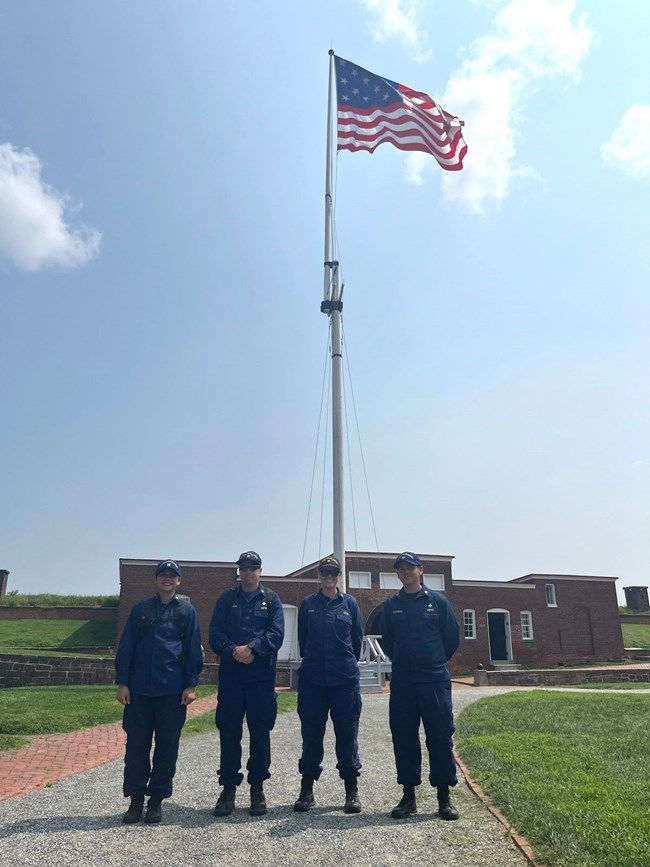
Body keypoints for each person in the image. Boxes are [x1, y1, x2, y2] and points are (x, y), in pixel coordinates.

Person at [114, 559, 203, 825]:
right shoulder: (140, 610)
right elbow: (127, 646)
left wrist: (190, 685)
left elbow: (192, 650)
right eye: (162, 575)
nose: (167, 579)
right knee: (137, 746)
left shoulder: (187, 613)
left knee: (167, 747)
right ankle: (136, 800)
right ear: (155, 580)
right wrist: (123, 682)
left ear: (179, 581)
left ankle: (155, 801)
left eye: (172, 576)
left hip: (172, 692)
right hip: (140, 691)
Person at [380, 552, 460, 821]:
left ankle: (444, 797)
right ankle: (408, 796)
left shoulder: (438, 602)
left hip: (434, 681)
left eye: (410, 568)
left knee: (439, 737)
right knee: (404, 739)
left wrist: (433, 662)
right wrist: (405, 662)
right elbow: (388, 642)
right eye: (401, 570)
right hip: (403, 682)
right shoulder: (391, 606)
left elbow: (451, 639)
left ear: (421, 570)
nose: (406, 573)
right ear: (398, 574)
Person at [209, 551, 284, 817]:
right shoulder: (226, 599)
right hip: (231, 679)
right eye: (244, 568)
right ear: (239, 572)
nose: (248, 572)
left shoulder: (272, 600)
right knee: (229, 733)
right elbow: (215, 633)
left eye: (253, 568)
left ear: (260, 571)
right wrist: (234, 651)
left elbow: (276, 634)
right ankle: (228, 788)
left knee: (260, 733)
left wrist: (252, 648)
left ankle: (257, 787)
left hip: (261, 680)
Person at [293, 555, 364, 814]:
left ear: (339, 576)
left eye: (334, 573)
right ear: (319, 576)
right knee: (311, 736)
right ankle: (307, 790)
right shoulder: (308, 605)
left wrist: (343, 663)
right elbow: (304, 639)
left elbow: (356, 641)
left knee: (347, 736)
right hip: (313, 681)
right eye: (325, 572)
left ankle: (351, 791)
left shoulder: (350, 604)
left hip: (344, 682)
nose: (329, 577)